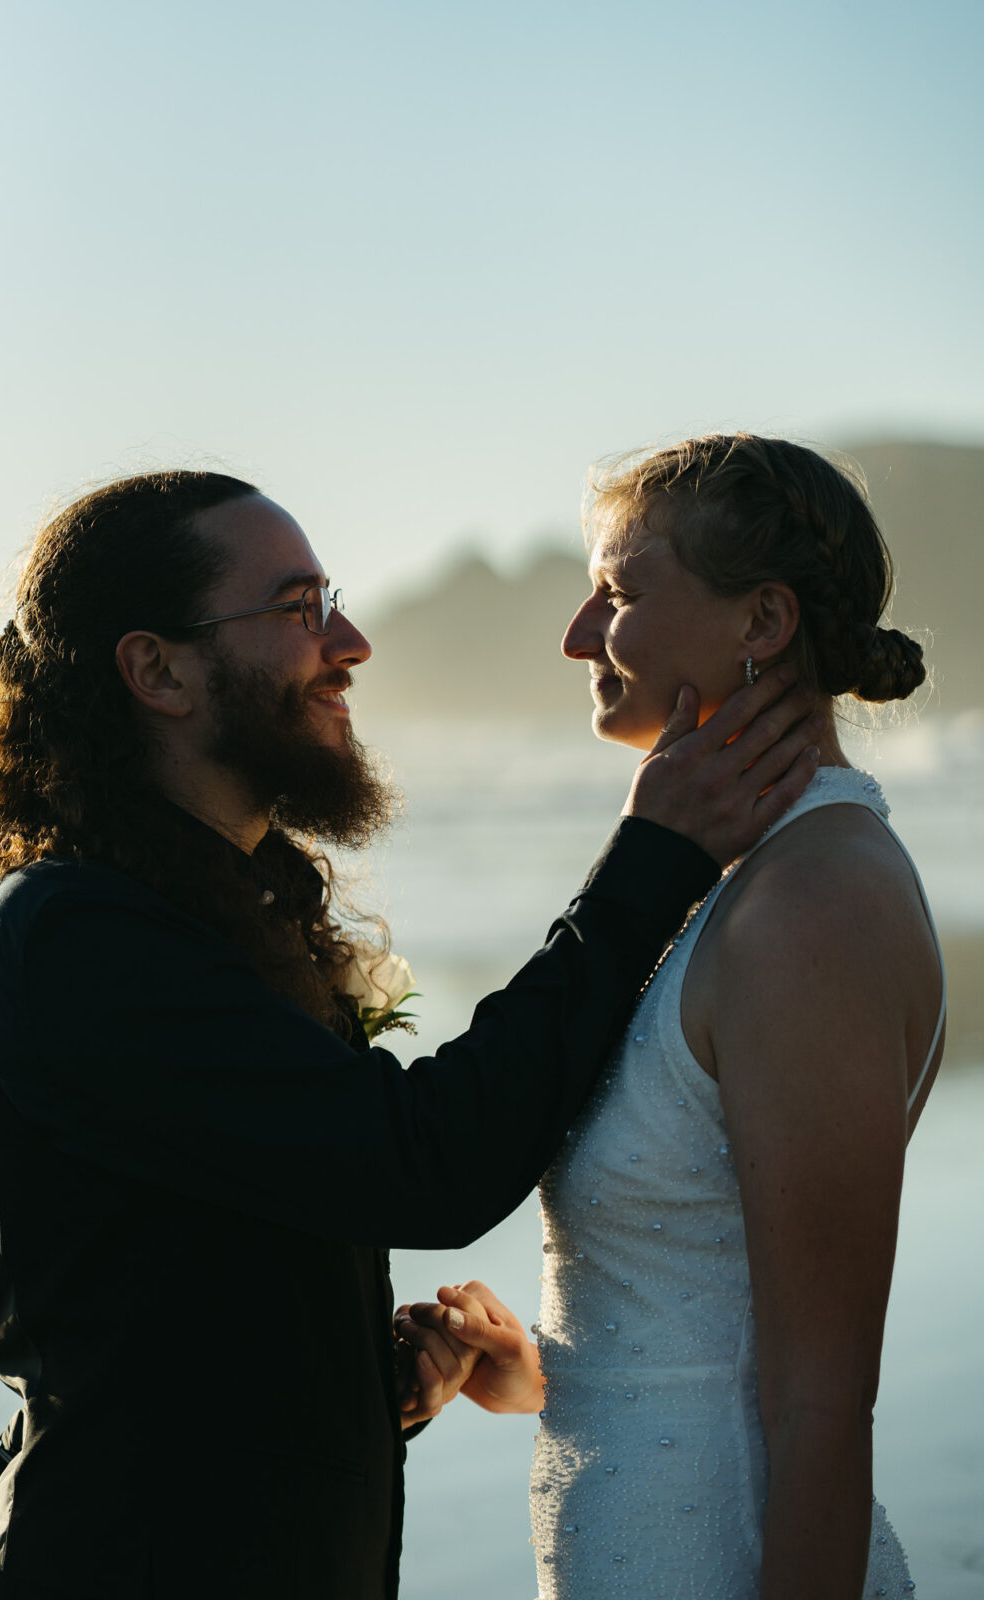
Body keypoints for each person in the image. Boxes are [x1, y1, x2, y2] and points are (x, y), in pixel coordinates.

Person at [0, 469, 821, 1600]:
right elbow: (421, 1159)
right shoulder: (69, 933)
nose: (348, 639)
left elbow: (207, 1259)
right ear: (157, 669)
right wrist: (652, 858)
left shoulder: (222, 911)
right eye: (299, 609)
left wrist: (364, 1377)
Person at [399, 434, 943, 1599]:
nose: (577, 634)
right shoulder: (728, 887)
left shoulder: (812, 907)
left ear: (761, 624)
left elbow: (821, 1400)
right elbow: (717, 1322)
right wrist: (541, 1370)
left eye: (621, 591)